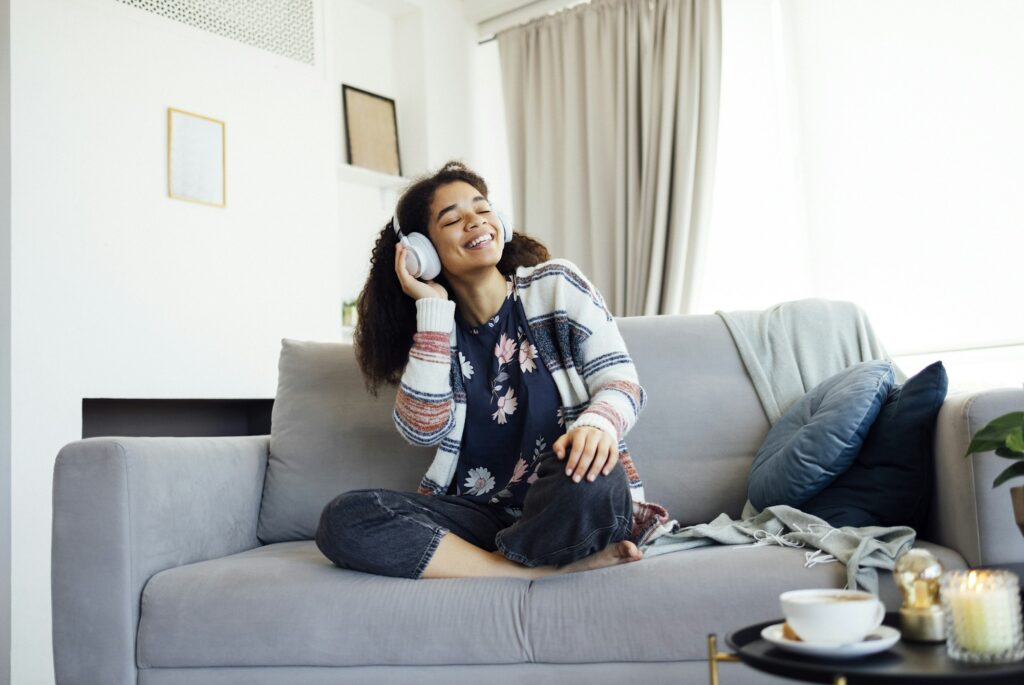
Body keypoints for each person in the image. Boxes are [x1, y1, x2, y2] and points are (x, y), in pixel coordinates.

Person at [315, 160, 669, 580]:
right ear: (423, 252)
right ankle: (526, 570)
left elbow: (621, 383)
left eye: (482, 209)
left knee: (594, 473)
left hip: (568, 498)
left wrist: (597, 426)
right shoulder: (436, 332)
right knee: (346, 516)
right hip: (482, 518)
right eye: (452, 219)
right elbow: (421, 429)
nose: (475, 221)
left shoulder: (556, 285)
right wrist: (432, 309)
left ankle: (511, 562)